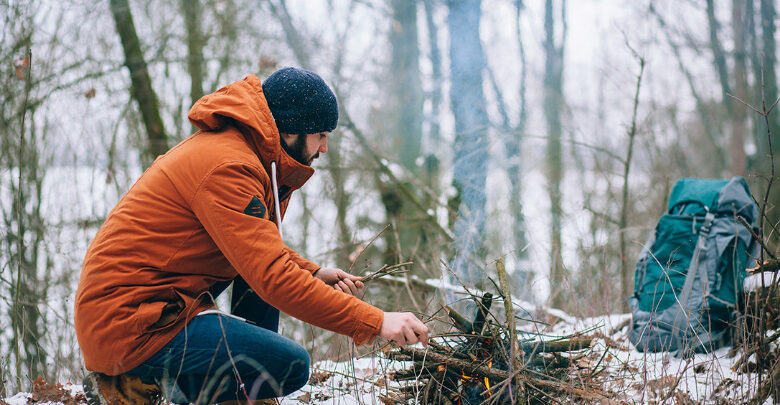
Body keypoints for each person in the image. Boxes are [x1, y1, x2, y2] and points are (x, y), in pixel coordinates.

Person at [75, 67, 429, 405]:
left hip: (154, 309)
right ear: (292, 131)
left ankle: (248, 398)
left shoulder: (250, 155)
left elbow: (255, 247)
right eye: (321, 135)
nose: (324, 148)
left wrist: (311, 272)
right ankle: (131, 381)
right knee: (290, 364)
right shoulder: (229, 167)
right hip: (131, 326)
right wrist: (377, 321)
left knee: (258, 282)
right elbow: (272, 275)